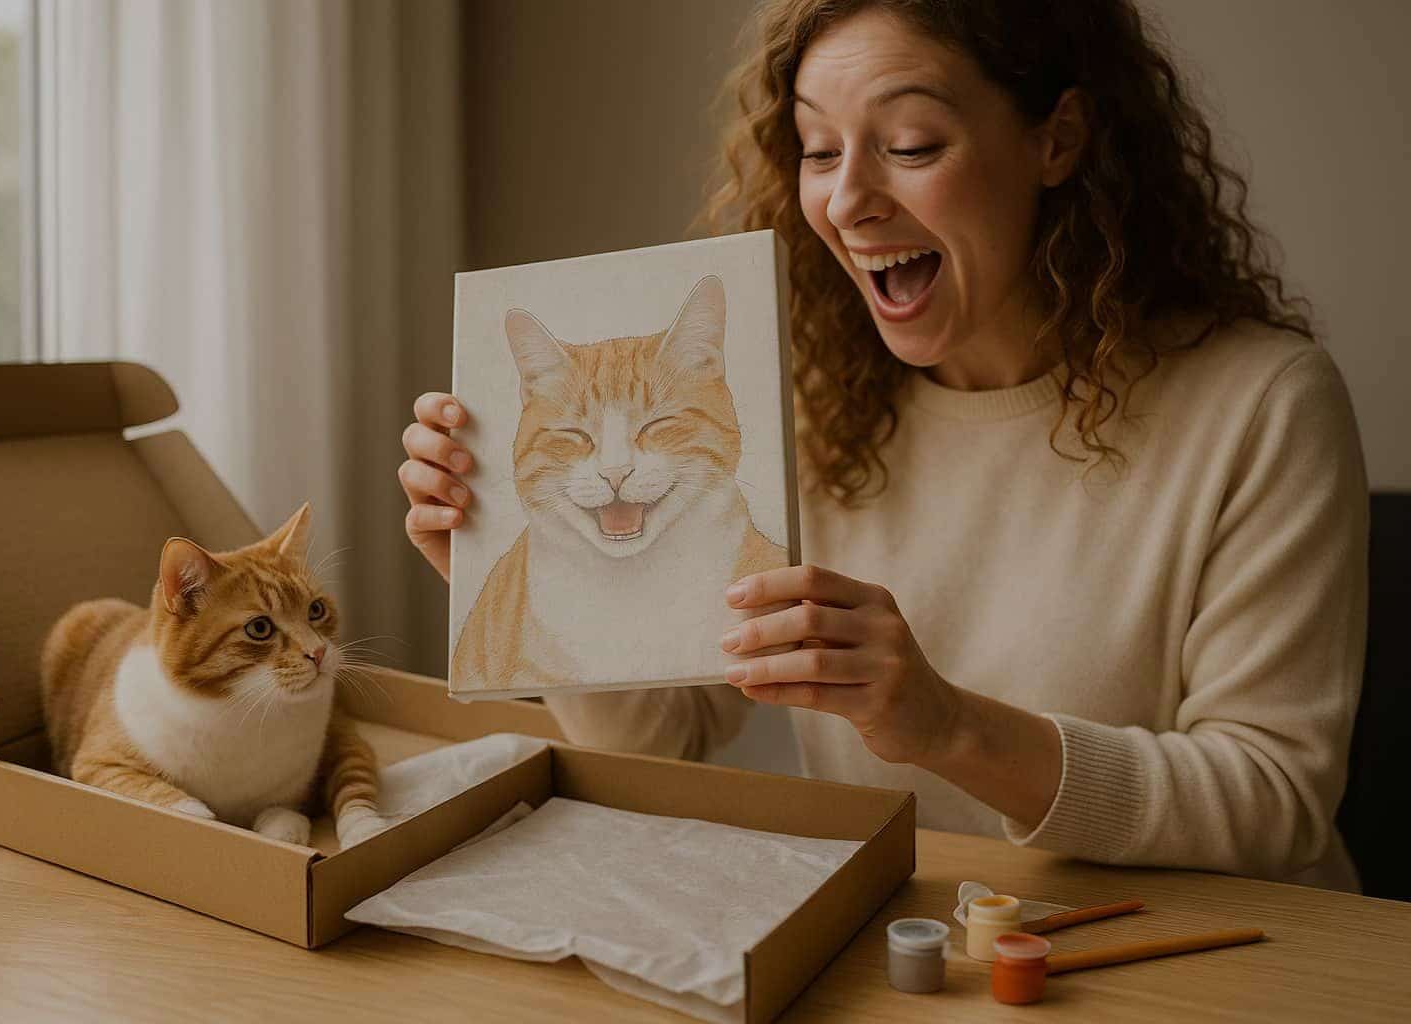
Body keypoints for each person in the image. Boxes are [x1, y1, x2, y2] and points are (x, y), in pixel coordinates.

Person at [396, 0, 1367, 890]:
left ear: (1058, 139)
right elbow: (669, 744)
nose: (848, 200)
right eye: (818, 150)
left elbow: (1273, 798)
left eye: (909, 144)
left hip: (1224, 965)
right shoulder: (818, 404)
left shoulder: (1264, 405)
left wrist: (949, 726)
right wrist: (526, 565)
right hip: (931, 955)